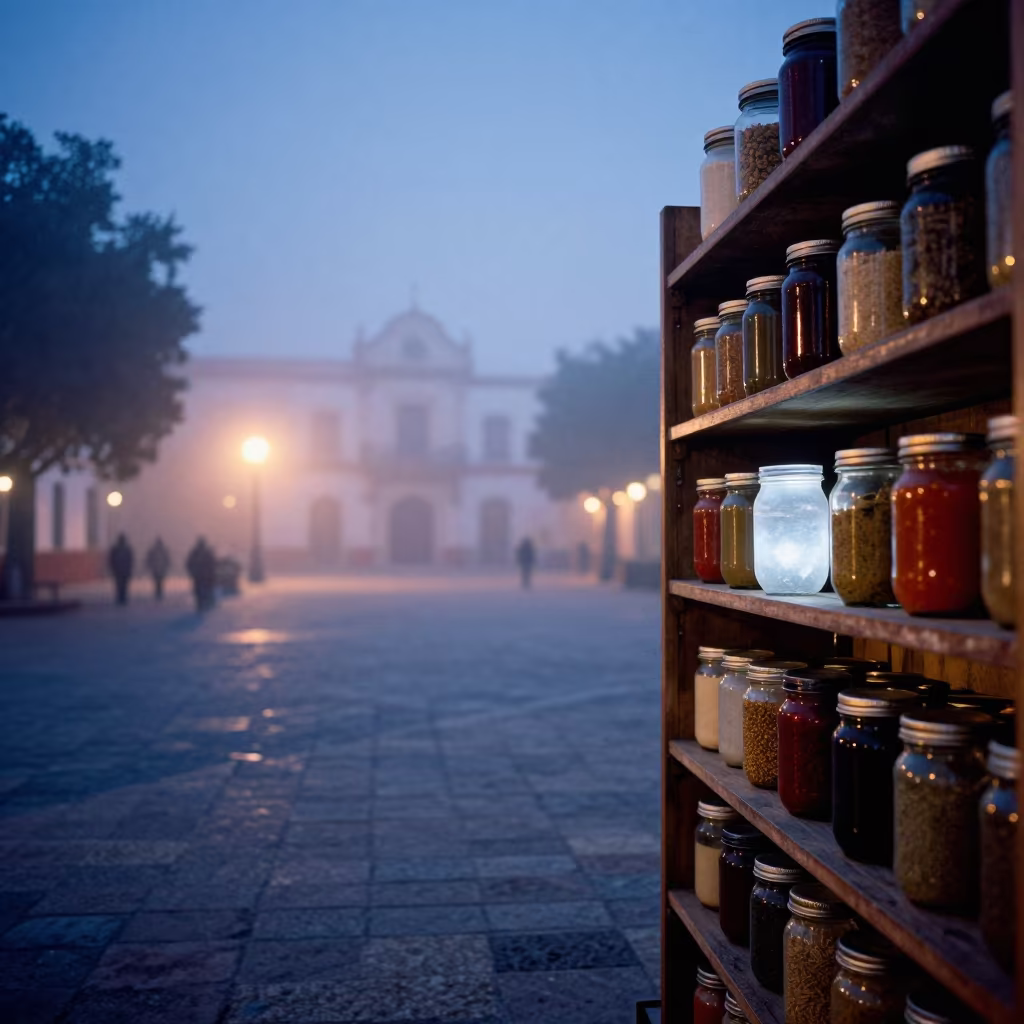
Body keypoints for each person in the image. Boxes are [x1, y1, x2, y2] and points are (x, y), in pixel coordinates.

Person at [186, 537, 217, 612]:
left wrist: (192, 572)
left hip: (198, 575)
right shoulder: (207, 552)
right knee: (206, 589)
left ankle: (200, 603)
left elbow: (189, 563)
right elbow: (213, 563)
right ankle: (205, 602)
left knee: (198, 590)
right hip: (206, 575)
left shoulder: (195, 552)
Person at [108, 533, 134, 606]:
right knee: (122, 585)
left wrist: (112, 568)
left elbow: (111, 560)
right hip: (122, 570)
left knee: (120, 585)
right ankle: (122, 597)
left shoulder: (116, 549)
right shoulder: (126, 549)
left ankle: (121, 597)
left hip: (119, 570)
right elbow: (131, 560)